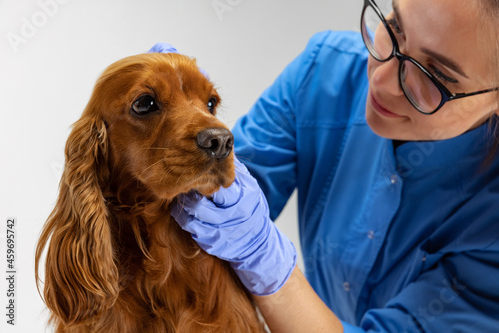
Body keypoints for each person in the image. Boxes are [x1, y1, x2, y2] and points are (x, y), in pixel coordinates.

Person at [167, 0, 499, 331]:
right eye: (396, 27)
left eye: (435, 77)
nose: (381, 80)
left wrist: (267, 263)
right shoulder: (323, 71)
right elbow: (195, 217)